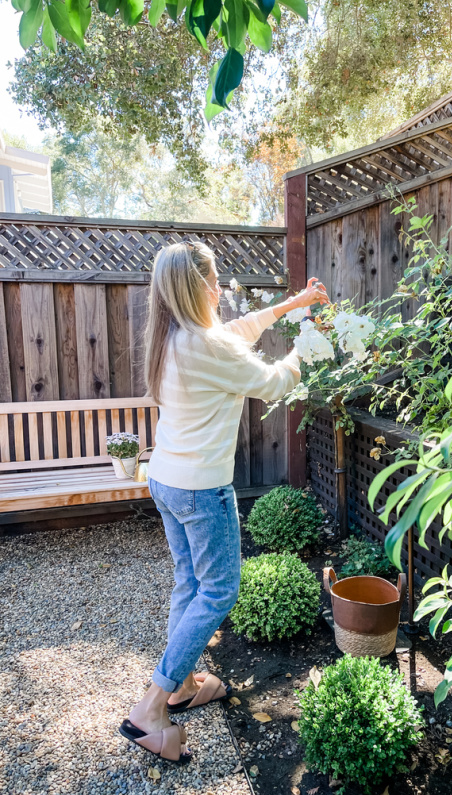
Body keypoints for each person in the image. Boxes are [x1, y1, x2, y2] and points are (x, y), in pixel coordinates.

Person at [119, 241, 330, 763]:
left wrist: (288, 306)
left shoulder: (173, 337)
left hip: (165, 481)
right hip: (199, 488)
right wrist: (305, 342)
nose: (220, 290)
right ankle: (150, 708)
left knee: (189, 582)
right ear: (197, 288)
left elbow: (234, 334)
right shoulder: (206, 347)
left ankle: (184, 683)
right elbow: (276, 382)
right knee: (219, 591)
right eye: (214, 282)